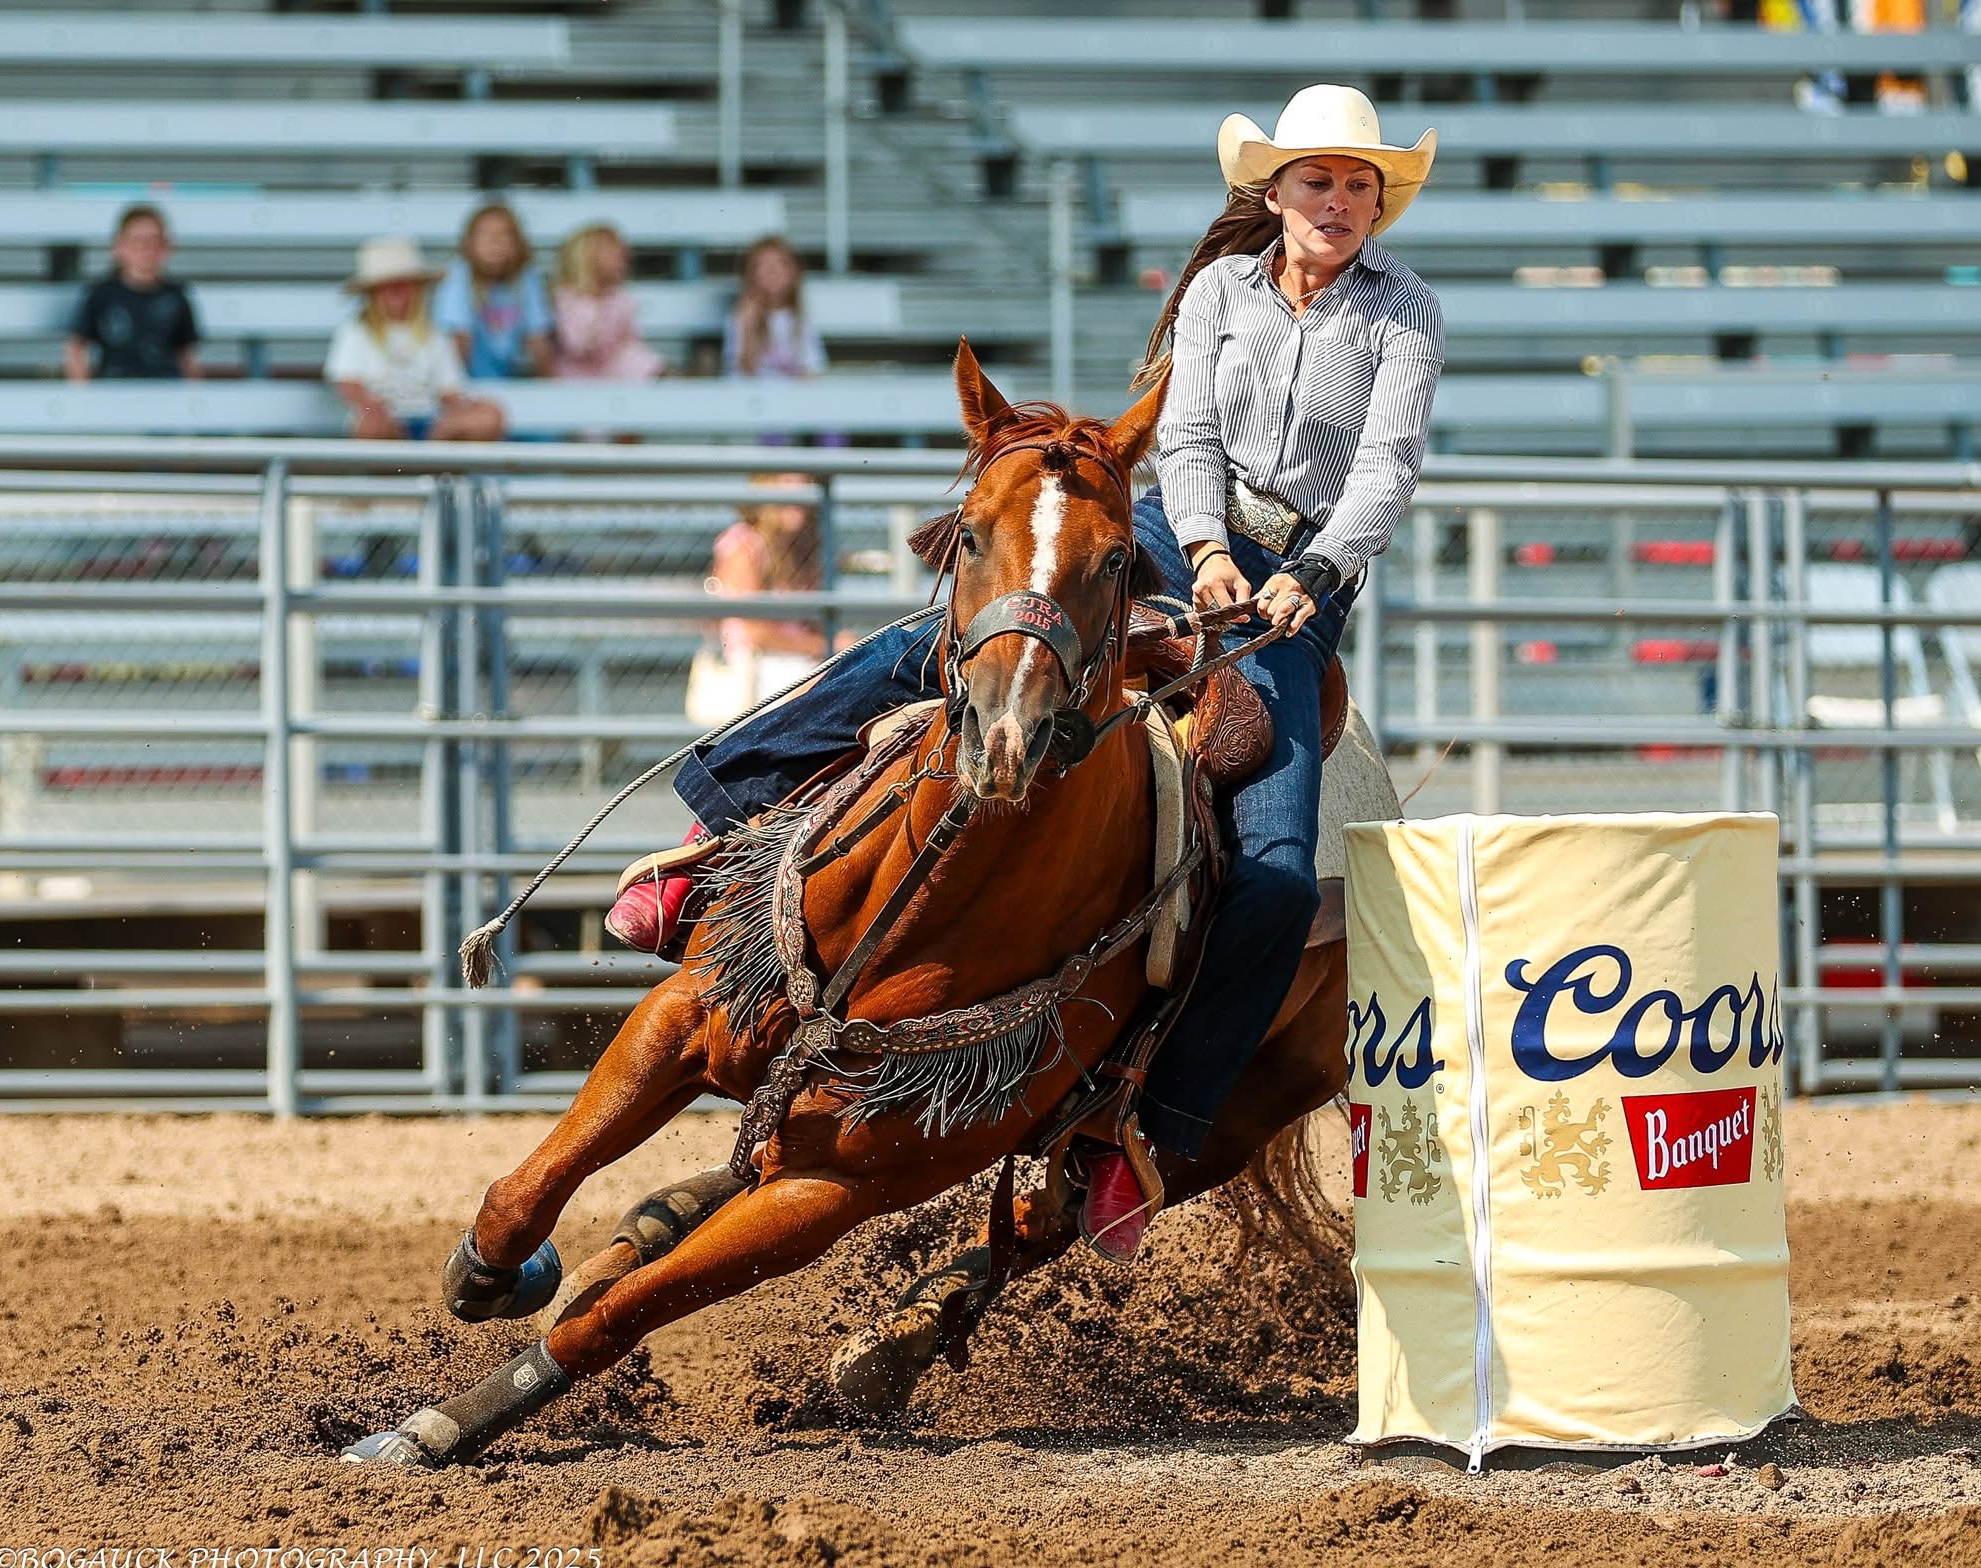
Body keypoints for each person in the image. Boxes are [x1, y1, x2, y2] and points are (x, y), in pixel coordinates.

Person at [608, 84, 1444, 1263]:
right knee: (948, 644)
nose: (1338, 200)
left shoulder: (1404, 312)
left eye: (1359, 184)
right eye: (1317, 179)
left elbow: (1384, 472)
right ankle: (711, 837)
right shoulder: (1220, 292)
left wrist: (1309, 568)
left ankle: (1144, 1132)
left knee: (1270, 880)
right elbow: (1184, 435)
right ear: (1273, 192)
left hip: (1296, 586)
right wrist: (1200, 547)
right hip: (1170, 536)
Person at [683, 476, 833, 728]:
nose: (801, 496)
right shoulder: (745, 546)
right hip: (758, 668)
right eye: (789, 486)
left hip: (790, 663)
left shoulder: (798, 547)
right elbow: (753, 633)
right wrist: (825, 645)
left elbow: (810, 623)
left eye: (805, 486)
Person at [325, 237, 506, 442]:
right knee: (372, 425)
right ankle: (426, 455)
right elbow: (348, 384)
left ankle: (426, 452)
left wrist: (466, 406)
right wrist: (372, 407)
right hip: (382, 419)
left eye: (403, 284)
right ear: (372, 294)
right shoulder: (357, 331)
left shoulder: (434, 334)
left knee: (489, 416)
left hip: (431, 421)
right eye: (387, 286)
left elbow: (449, 390)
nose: (396, 292)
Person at [64, 205, 201, 381]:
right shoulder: (101, 294)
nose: (146, 248)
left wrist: (195, 392)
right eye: (137, 240)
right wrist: (83, 391)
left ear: (167, 247)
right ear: (118, 246)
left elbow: (186, 355)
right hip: (115, 387)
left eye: (154, 240)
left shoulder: (176, 295)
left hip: (165, 387)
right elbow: (76, 346)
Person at [433, 203, 556, 379]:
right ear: (469, 243)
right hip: (467, 381)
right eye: (485, 235)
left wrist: (551, 386)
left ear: (517, 244)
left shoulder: (527, 278)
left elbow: (539, 340)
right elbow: (458, 340)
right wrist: (457, 388)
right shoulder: (459, 276)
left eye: (504, 234)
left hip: (511, 380)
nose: (494, 242)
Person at [550, 223, 665, 382]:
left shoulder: (620, 298)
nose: (624, 256)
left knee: (636, 358)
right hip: (577, 376)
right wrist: (594, 309)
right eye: (613, 252)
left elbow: (630, 341)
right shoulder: (568, 298)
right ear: (586, 258)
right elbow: (578, 346)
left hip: (616, 369)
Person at [725, 236, 826, 379]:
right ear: (750, 273)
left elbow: (812, 369)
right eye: (763, 265)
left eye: (780, 263)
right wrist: (748, 326)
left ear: (794, 272)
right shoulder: (741, 316)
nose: (772, 271)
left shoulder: (800, 318)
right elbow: (744, 371)